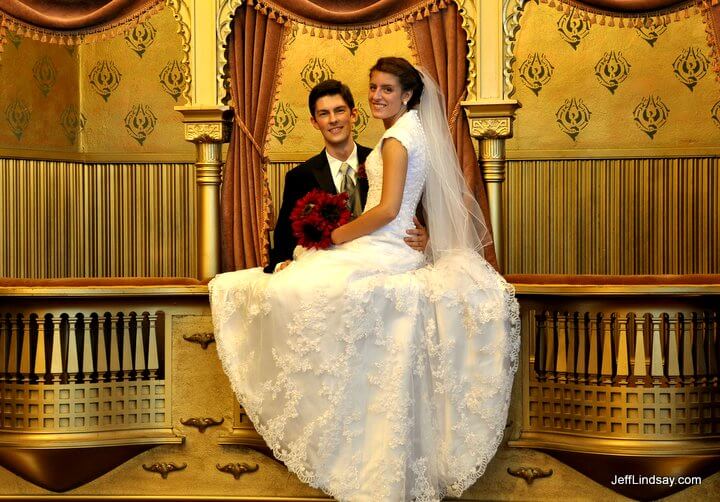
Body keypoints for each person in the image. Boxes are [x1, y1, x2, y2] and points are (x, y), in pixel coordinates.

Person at [210, 57, 520, 501]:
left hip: (385, 247)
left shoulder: (393, 141)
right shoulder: (406, 136)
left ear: (407, 95)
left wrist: (339, 236)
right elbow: (294, 236)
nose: (377, 95)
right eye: (373, 87)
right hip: (386, 246)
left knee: (312, 288)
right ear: (316, 120)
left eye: (385, 90)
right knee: (297, 281)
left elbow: (392, 209)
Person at [265, 78, 427, 273]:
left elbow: (412, 208)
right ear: (314, 122)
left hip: (384, 263)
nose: (333, 119)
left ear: (353, 114)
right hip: (329, 271)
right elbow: (285, 239)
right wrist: (280, 263)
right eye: (324, 114)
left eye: (340, 110)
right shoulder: (300, 176)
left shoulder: (383, 161)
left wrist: (427, 237)